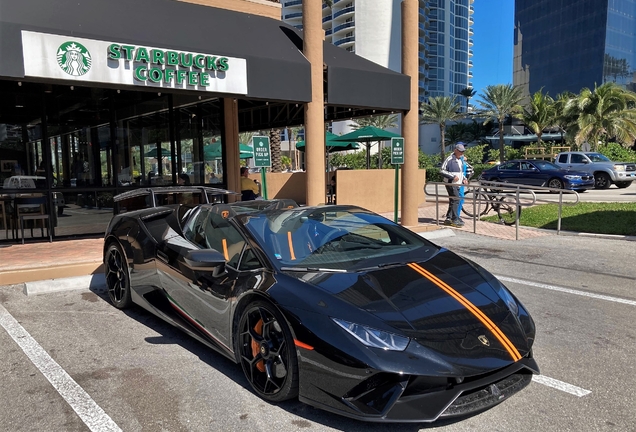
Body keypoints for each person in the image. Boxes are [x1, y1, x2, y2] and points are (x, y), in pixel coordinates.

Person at [440, 143, 469, 227]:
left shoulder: (460, 160)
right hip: (451, 183)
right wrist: (452, 177)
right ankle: (454, 218)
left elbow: (460, 172)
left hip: (457, 183)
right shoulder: (449, 159)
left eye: (463, 151)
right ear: (455, 150)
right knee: (456, 199)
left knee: (454, 200)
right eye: (460, 151)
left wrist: (464, 178)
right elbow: (442, 170)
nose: (462, 153)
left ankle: (449, 218)